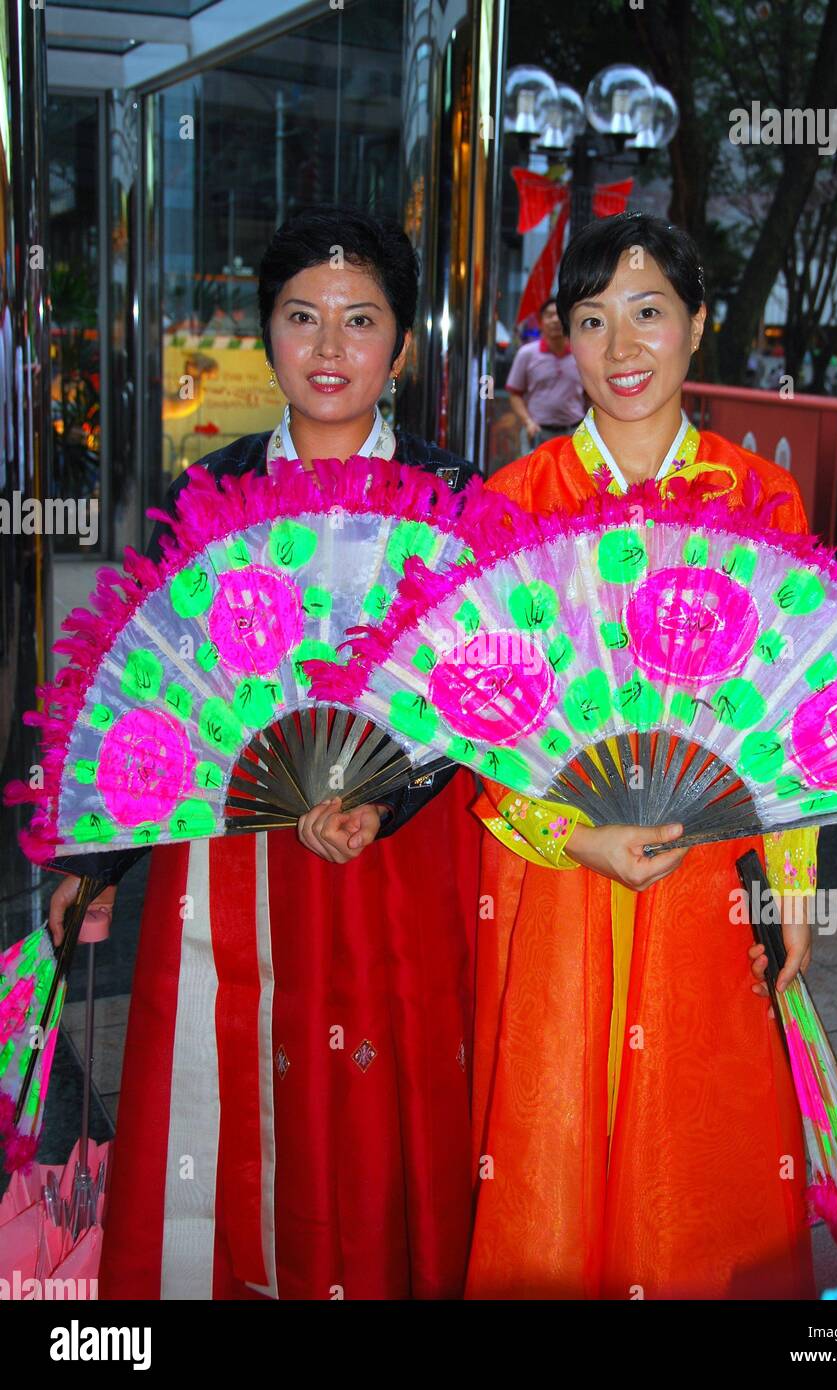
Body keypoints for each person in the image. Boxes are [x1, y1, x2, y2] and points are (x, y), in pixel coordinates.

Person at [46, 205, 481, 1300]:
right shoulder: (208, 495)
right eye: (301, 318)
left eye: (360, 321)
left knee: (385, 1104)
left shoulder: (457, 496)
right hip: (227, 860)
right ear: (264, 333)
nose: (329, 350)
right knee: (222, 1095)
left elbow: (485, 696)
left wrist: (389, 800)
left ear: (402, 344)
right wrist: (93, 863)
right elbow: (158, 703)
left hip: (397, 862)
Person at [466, 213, 819, 1300]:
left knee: (696, 1150)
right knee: (555, 1147)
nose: (622, 346)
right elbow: (477, 727)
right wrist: (575, 832)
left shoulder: (762, 501)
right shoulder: (515, 506)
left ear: (699, 325)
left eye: (650, 311)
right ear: (564, 344)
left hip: (709, 882)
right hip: (554, 876)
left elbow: (797, 714)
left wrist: (794, 891)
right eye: (591, 320)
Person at [505, 296, 587, 451]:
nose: (555, 320)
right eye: (549, 315)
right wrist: (528, 422)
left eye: (559, 315)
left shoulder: (581, 354)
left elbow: (591, 394)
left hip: (574, 433)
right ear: (541, 322)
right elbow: (514, 394)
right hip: (537, 432)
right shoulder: (527, 354)